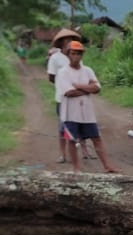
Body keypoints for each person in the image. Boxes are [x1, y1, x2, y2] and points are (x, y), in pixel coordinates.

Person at [56, 40, 119, 174]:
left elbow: (97, 88)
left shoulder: (88, 70)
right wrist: (88, 88)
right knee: (72, 140)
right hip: (70, 113)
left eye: (79, 53)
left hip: (87, 112)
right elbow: (68, 92)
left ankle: (107, 166)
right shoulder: (63, 72)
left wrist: (78, 86)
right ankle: (76, 168)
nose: (76, 56)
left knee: (96, 138)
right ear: (68, 54)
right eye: (73, 53)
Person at [47, 28, 82, 164]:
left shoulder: (76, 56)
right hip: (62, 98)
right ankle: (63, 155)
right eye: (66, 40)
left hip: (77, 97)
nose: (69, 42)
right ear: (61, 43)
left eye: (71, 40)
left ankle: (83, 152)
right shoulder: (55, 58)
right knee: (63, 128)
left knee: (78, 124)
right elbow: (51, 77)